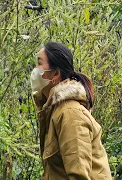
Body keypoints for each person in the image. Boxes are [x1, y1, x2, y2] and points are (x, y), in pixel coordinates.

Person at [30, 42, 112, 179]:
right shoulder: (55, 111)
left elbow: (79, 176)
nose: (35, 70)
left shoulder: (70, 113)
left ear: (56, 74)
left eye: (39, 63)